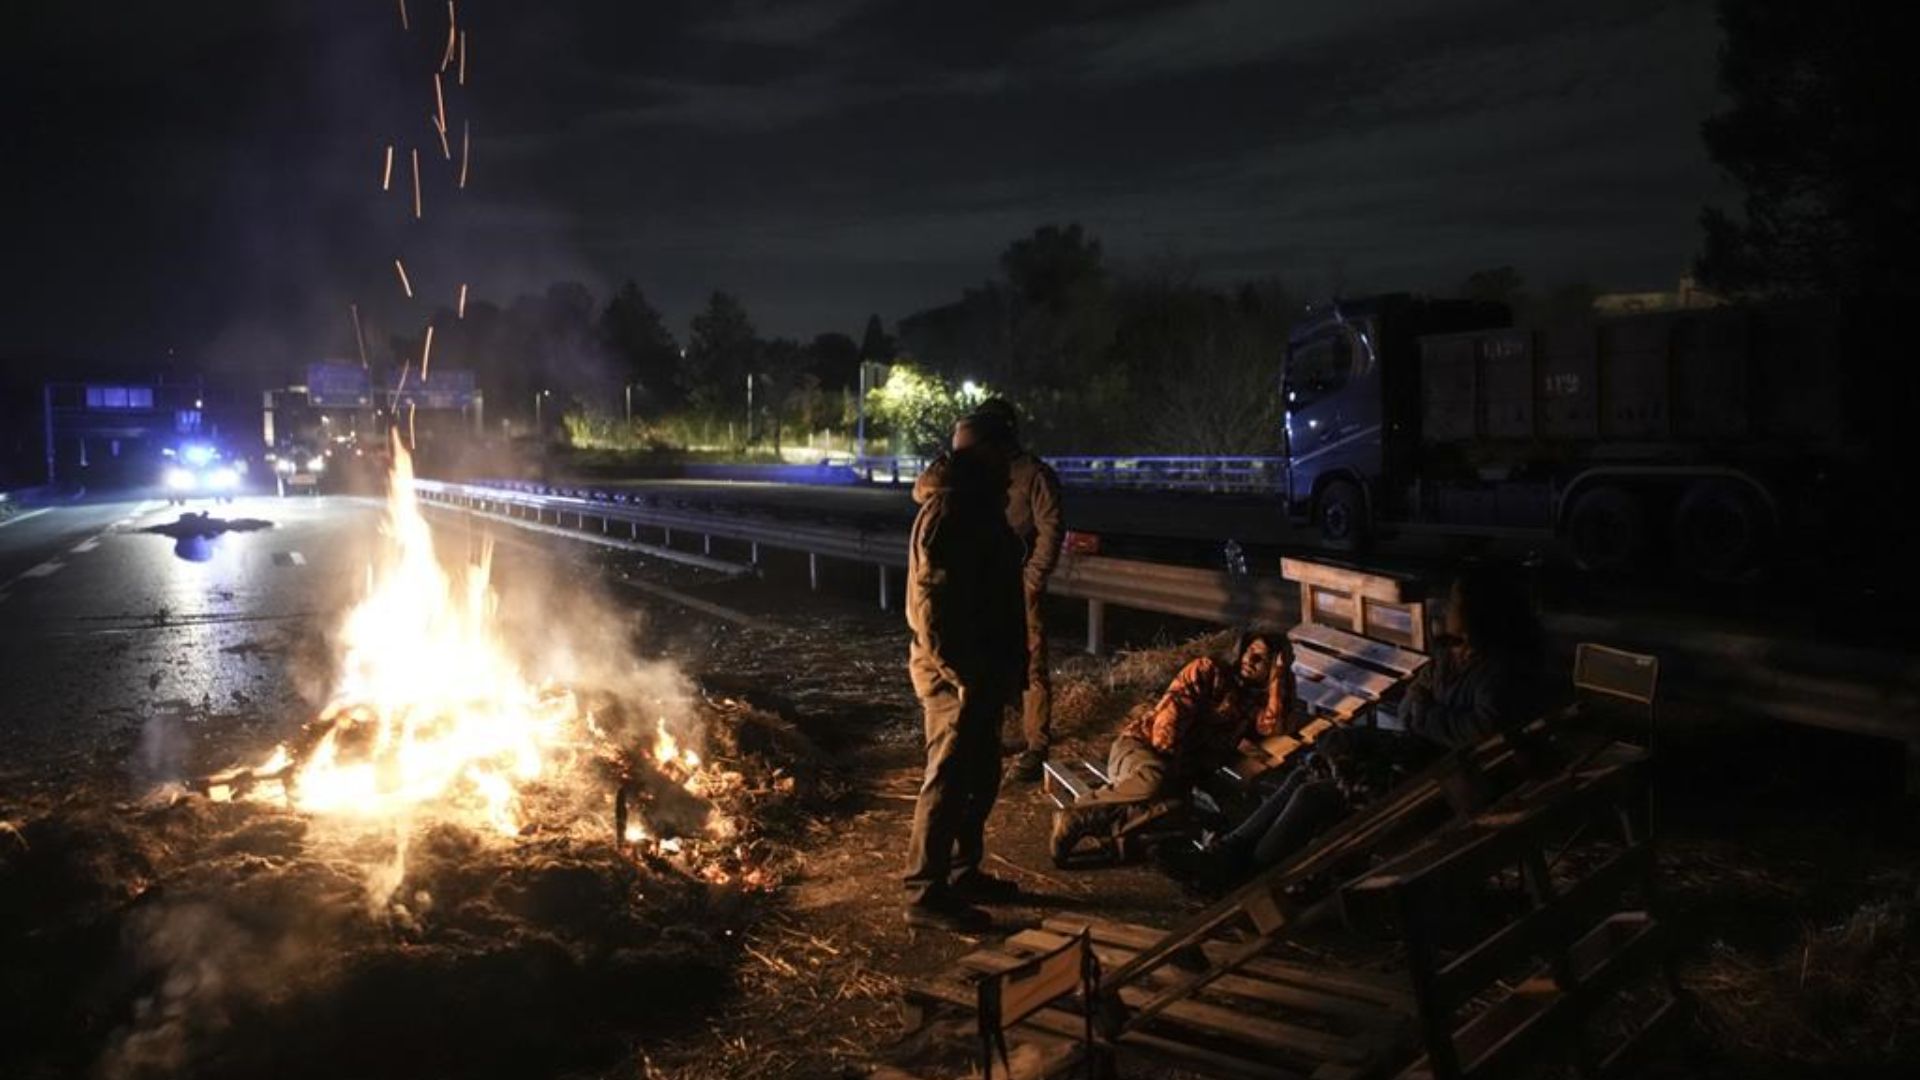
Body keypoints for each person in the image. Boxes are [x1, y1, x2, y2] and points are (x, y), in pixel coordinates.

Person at [1178, 567, 1543, 890]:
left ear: (1478, 613)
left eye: (1454, 604)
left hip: (1441, 781)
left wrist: (1425, 716)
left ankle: (1249, 878)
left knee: (1314, 795)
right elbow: (1412, 701)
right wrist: (1427, 715)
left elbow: (1479, 729)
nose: (1447, 611)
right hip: (1417, 759)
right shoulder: (1452, 657)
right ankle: (1230, 852)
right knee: (1308, 769)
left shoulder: (1497, 670)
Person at [902, 434, 1030, 932]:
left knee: (979, 775)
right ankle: (924, 890)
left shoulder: (978, 505)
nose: (1011, 465)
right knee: (949, 777)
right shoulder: (949, 510)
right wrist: (962, 675)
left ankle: (960, 871)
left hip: (981, 672)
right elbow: (932, 607)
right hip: (954, 676)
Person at [1048, 632, 1296, 864]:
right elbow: (1168, 724)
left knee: (1178, 812)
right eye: (1250, 651)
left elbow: (1275, 727)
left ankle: (1092, 825)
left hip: (1175, 773)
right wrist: (1175, 772)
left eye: (1262, 659)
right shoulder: (1208, 670)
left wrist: (1279, 675)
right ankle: (1080, 811)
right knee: (1156, 780)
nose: (1250, 660)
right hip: (1142, 749)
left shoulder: (1254, 702)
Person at [915, 398, 1063, 783]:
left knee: (1030, 663)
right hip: (984, 584)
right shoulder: (968, 479)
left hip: (1014, 581)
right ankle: (991, 733)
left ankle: (1035, 744)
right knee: (986, 658)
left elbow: (1051, 528)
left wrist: (1031, 578)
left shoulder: (1033, 475)